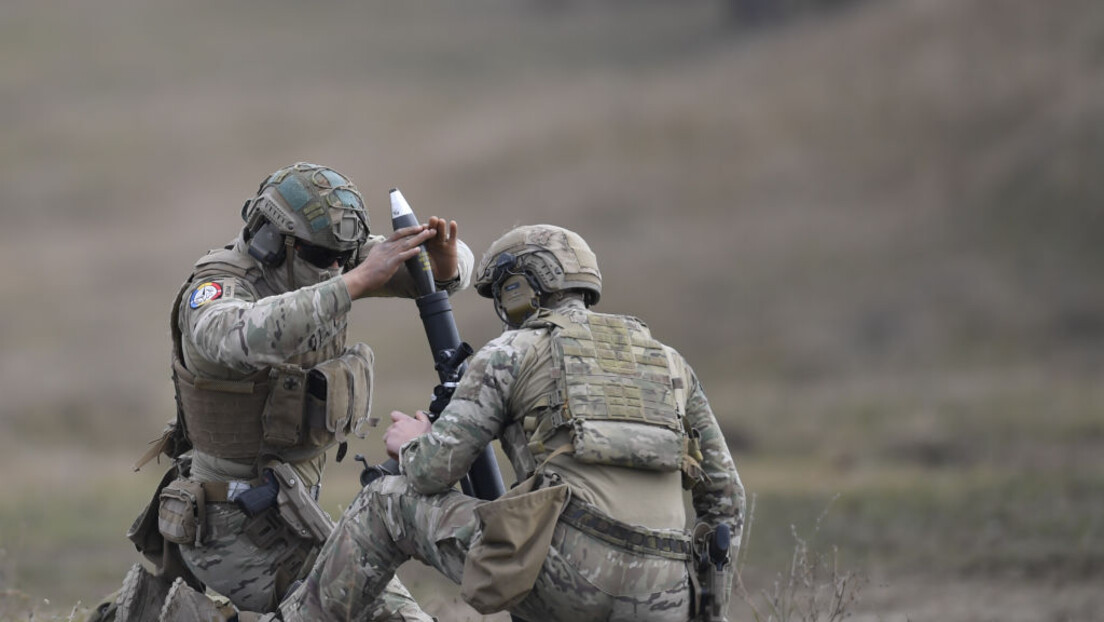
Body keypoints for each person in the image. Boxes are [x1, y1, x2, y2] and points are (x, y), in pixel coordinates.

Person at [277, 224, 746, 622]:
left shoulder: (511, 351)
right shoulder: (670, 362)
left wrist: (414, 442)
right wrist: (704, 607)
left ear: (520, 289)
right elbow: (726, 498)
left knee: (385, 504)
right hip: (667, 597)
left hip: (568, 579)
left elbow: (431, 472)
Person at [99, 162, 472, 622]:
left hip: (290, 511)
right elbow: (240, 336)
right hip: (229, 525)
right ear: (273, 241)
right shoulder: (217, 288)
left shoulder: (324, 264)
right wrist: (354, 282)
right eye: (322, 256)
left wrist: (444, 266)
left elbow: (434, 259)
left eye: (345, 256)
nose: (336, 266)